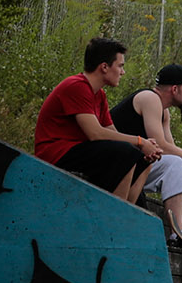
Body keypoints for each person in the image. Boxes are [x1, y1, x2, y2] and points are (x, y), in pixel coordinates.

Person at [34, 37, 161, 202]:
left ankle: (130, 216)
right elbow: (95, 133)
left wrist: (145, 146)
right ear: (104, 67)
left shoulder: (99, 94)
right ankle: (115, 213)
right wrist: (139, 141)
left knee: (141, 159)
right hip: (56, 154)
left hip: (79, 152)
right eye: (120, 66)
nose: (123, 72)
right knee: (126, 153)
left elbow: (111, 132)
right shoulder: (77, 86)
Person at [111, 63, 182, 244]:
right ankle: (177, 233)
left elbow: (169, 149)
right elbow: (161, 146)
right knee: (176, 163)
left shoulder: (164, 112)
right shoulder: (149, 98)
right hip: (117, 164)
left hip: (137, 164)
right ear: (175, 88)